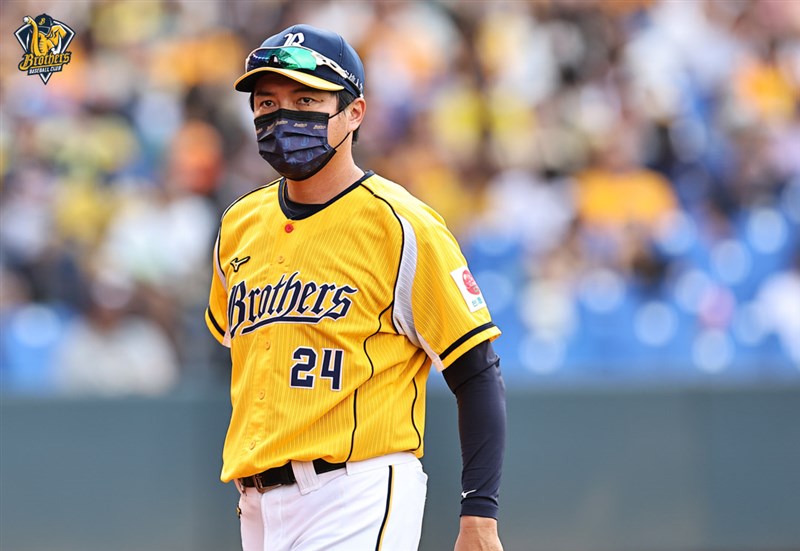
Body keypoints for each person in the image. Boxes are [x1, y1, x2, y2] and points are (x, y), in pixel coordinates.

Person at [205, 24, 506, 551]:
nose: (283, 116)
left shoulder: (400, 223)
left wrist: (479, 514)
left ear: (354, 112)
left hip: (355, 489)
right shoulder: (239, 223)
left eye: (306, 99)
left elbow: (476, 370)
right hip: (257, 505)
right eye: (268, 102)